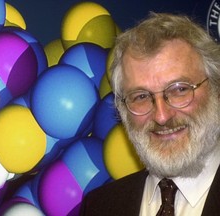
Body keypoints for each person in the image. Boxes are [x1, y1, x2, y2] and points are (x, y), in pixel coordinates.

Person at [80, 12, 220, 216]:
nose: (162, 116)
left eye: (179, 89)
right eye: (141, 96)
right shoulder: (99, 206)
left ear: (216, 90)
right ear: (122, 110)